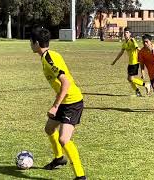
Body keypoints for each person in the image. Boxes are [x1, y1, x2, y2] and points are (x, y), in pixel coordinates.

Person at [30, 27, 87, 180]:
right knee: (49, 129)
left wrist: (55, 106)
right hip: (64, 100)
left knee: (63, 139)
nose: (30, 44)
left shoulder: (50, 59)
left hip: (73, 102)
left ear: (36, 43)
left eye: (31, 42)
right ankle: (59, 158)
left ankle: (80, 176)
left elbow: (65, 83)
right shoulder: (47, 56)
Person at [111, 27, 151, 96]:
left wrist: (146, 54)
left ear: (130, 34)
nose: (125, 34)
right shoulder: (124, 43)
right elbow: (121, 53)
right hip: (130, 63)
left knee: (131, 78)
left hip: (135, 62)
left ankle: (146, 85)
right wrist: (115, 61)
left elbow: (138, 48)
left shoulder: (132, 40)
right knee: (129, 79)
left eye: (127, 32)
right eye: (124, 32)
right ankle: (137, 91)